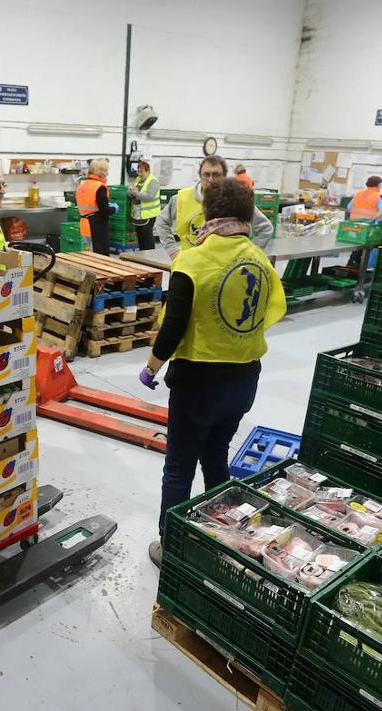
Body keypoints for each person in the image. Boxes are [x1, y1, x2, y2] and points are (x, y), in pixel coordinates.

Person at [139, 180, 287, 566]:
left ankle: (170, 546)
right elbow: (269, 313)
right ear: (247, 214)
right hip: (244, 380)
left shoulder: (191, 260)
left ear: (207, 213)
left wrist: (152, 365)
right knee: (216, 458)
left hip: (198, 384)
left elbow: (173, 325)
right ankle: (224, 538)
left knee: (178, 468)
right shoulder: (259, 259)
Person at [155, 155, 275, 257]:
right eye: (206, 175)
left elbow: (265, 228)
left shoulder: (235, 199)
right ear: (200, 175)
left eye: (216, 175)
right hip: (188, 268)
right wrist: (172, 250)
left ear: (224, 176)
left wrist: (248, 255)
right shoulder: (181, 198)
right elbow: (161, 221)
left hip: (223, 270)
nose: (210, 179)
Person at [76, 159, 116, 255]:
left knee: (87, 253)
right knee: (100, 255)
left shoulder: (82, 186)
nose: (107, 173)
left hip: (84, 224)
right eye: (106, 171)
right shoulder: (99, 187)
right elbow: (104, 211)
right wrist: (113, 209)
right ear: (101, 172)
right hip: (97, 225)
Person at [128, 160, 162, 252]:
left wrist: (136, 193)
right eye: (138, 171)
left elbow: (150, 197)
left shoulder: (153, 181)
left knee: (147, 237)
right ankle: (142, 255)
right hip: (138, 215)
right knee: (140, 237)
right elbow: (133, 194)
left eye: (141, 171)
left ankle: (150, 256)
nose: (139, 174)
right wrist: (130, 192)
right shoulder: (138, 180)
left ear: (148, 171)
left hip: (148, 215)